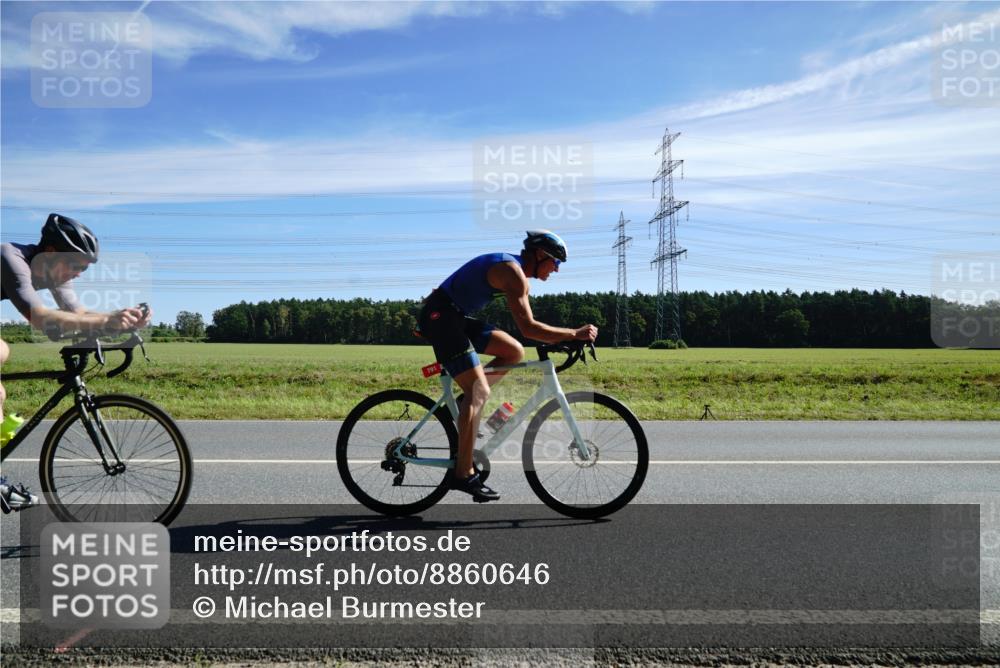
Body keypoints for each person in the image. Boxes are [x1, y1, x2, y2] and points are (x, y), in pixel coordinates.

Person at [417, 230, 598, 502]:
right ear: (540, 255)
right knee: (480, 391)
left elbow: (527, 331)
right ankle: (463, 474)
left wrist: (567, 337)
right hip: (441, 317)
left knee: (513, 351)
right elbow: (529, 328)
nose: (557, 270)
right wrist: (573, 334)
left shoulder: (517, 273)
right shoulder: (512, 272)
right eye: (556, 262)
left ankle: (467, 402)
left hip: (454, 315)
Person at [0, 213, 152, 513]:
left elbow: (78, 314)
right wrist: (106, 321)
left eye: (84, 268)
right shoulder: (10, 257)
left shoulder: (53, 273)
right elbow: (40, 318)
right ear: (51, 253)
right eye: (76, 266)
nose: (79, 274)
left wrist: (120, 321)